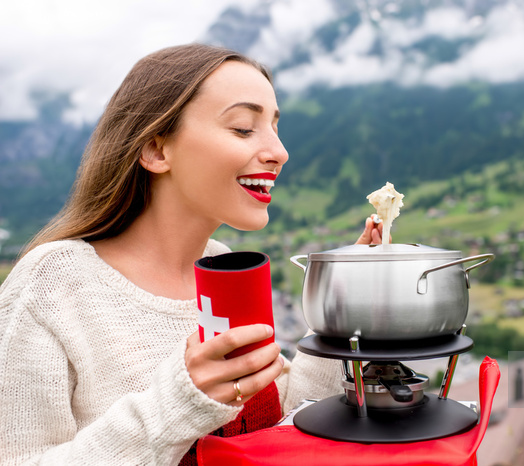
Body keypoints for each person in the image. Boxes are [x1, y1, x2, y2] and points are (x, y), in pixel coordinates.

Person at [0, 43, 384, 465]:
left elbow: (278, 423)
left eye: (275, 127)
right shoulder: (51, 285)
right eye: (242, 128)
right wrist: (181, 402)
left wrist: (341, 306)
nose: (279, 152)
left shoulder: (222, 265)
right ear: (157, 150)